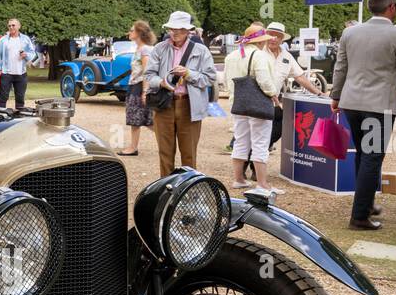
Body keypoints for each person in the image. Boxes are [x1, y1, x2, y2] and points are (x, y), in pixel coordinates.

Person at [330, 0, 396, 230]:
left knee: (363, 154)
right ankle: (359, 216)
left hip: (352, 102)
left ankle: (366, 204)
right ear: (391, 7)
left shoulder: (350, 33)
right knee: (372, 157)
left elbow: (340, 67)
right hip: (379, 104)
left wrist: (336, 95)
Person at [144, 11, 217, 178]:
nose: (174, 32)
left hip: (189, 105)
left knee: (189, 154)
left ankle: (188, 192)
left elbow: (210, 77)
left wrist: (189, 74)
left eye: (179, 29)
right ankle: (166, 190)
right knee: (165, 152)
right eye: (172, 28)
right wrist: (161, 82)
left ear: (188, 31)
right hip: (164, 104)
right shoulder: (159, 48)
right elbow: (149, 75)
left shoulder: (201, 50)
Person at [223, 24, 281, 191]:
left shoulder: (231, 56)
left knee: (240, 140)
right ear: (260, 41)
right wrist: (273, 93)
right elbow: (264, 80)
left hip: (238, 104)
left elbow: (227, 81)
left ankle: (239, 179)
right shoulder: (259, 56)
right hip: (258, 105)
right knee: (260, 143)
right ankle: (262, 184)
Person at [119, 19, 156, 157]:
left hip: (139, 86)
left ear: (139, 33)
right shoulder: (140, 49)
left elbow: (147, 71)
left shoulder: (145, 49)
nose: (129, 32)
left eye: (132, 30)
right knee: (139, 119)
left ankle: (165, 139)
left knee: (141, 118)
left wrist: (145, 91)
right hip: (135, 85)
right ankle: (133, 147)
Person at [266, 22, 325, 96]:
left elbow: (300, 77)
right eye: (271, 35)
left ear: (282, 40)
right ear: (265, 36)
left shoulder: (287, 56)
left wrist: (319, 93)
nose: (273, 39)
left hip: (271, 102)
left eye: (277, 36)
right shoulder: (258, 52)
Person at [0, 18, 36, 109]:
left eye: (13, 25)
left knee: (20, 98)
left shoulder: (25, 39)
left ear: (19, 26)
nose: (11, 27)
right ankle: (0, 117)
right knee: (3, 97)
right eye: (9, 25)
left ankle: (18, 118)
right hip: (6, 73)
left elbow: (33, 52)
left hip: (21, 73)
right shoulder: (3, 40)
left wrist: (26, 55)